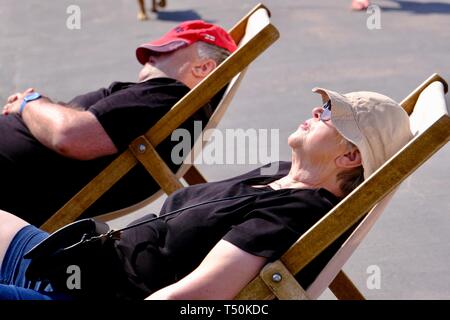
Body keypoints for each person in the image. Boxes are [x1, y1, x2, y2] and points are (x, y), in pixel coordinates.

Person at [0, 88, 413, 300]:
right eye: (322, 105)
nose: (315, 112)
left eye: (329, 114)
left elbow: (197, 296)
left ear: (351, 156)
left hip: (81, 294)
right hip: (72, 261)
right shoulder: (282, 173)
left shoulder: (289, 214)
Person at [0, 20, 237, 226]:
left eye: (168, 49)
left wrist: (30, 103)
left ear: (203, 67)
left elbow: (68, 136)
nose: (152, 56)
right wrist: (45, 109)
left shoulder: (165, 95)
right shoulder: (168, 103)